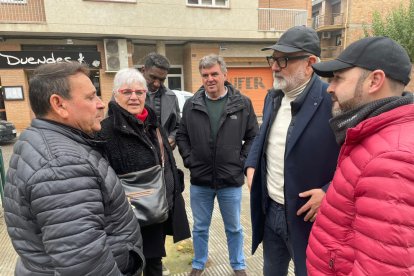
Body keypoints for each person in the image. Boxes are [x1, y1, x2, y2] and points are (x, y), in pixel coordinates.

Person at [3, 62, 144, 275]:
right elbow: (84, 263)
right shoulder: (61, 166)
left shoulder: (43, 141)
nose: (100, 104)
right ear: (59, 105)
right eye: (90, 97)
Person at [306, 36, 414, 275]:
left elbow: (383, 269)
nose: (330, 88)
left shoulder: (391, 159)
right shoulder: (374, 134)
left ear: (375, 81)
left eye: (338, 78)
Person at [244, 26, 340, 276]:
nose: (274, 67)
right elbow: (262, 137)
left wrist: (329, 193)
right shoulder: (273, 97)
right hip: (271, 211)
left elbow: (357, 160)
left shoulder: (334, 102)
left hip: (308, 219)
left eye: (283, 60)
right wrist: (251, 164)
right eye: (273, 59)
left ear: (309, 63)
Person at [98, 68, 190, 276]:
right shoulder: (105, 131)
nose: (134, 97)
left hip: (154, 212)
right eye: (127, 92)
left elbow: (164, 158)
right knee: (130, 267)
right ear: (115, 95)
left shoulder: (153, 124)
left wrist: (175, 181)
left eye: (139, 92)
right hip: (125, 218)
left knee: (155, 264)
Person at [176, 54, 258, 276]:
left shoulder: (242, 103)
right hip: (200, 180)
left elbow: (253, 137)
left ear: (224, 74)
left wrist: (240, 162)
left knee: (234, 228)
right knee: (200, 227)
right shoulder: (192, 104)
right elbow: (181, 135)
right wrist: (189, 159)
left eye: (214, 74)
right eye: (205, 75)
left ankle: (238, 265)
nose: (210, 79)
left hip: (230, 180)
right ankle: (199, 262)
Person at [142, 52, 181, 150]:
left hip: (164, 156)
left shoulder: (171, 97)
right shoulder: (124, 94)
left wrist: (173, 137)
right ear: (143, 70)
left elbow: (178, 126)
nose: (157, 84)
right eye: (153, 77)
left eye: (162, 80)